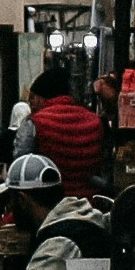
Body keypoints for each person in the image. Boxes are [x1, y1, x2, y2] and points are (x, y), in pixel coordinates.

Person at [28, 55, 105, 192]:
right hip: (88, 202)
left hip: (49, 203)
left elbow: (21, 163)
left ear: (42, 97)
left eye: (32, 99)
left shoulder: (35, 123)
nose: (31, 105)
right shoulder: (95, 121)